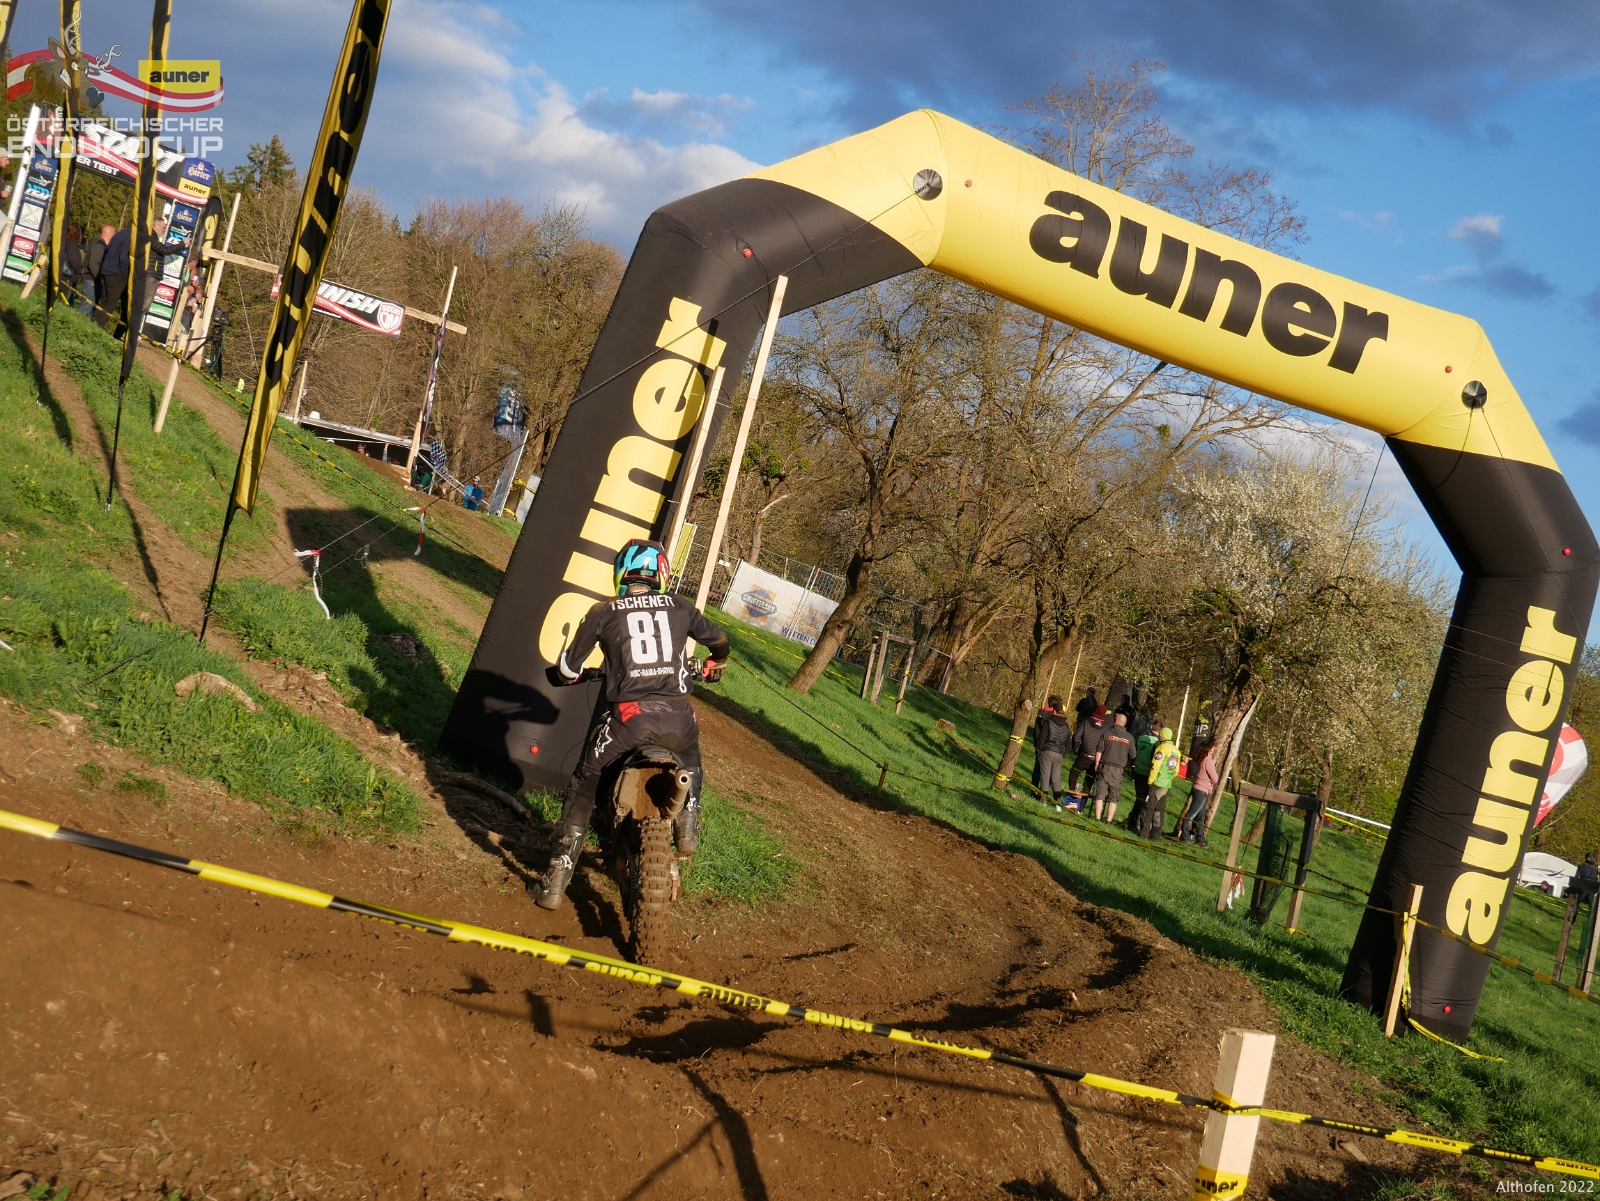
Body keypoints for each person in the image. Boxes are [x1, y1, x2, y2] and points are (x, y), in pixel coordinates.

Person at [536, 538, 731, 910]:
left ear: (621, 573)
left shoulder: (602, 612)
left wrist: (571, 676)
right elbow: (720, 640)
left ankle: (555, 881)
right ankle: (688, 822)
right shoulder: (680, 606)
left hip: (629, 722)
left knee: (584, 784)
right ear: (661, 575)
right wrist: (715, 661)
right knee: (691, 753)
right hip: (679, 718)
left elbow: (567, 670)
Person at [1139, 727, 1181, 841]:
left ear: (1162, 737)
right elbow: (1176, 771)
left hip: (1156, 782)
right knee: (1160, 810)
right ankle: (1156, 836)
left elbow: (1155, 766)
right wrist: (1168, 779)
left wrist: (1150, 781)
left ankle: (1144, 834)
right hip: (1166, 784)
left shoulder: (1161, 748)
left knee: (1149, 808)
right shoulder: (1176, 751)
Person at [1094, 712, 1135, 823]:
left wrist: (1097, 764)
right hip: (1118, 770)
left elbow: (1099, 750)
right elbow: (1133, 755)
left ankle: (1097, 818)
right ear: (1124, 724)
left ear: (1115, 721)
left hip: (1104, 766)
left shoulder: (1106, 732)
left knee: (1100, 794)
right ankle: (1108, 821)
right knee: (1114, 797)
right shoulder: (1129, 737)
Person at [1031, 694, 1071, 805]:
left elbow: (1041, 738)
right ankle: (1058, 804)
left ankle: (1043, 800)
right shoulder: (1066, 726)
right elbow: (1068, 743)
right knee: (1055, 778)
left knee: (1044, 776)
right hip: (1059, 754)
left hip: (1047, 751)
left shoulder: (1048, 721)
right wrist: (1062, 753)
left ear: (1054, 711)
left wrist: (1039, 751)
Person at [1177, 740, 1219, 845]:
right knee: (1191, 814)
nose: (1214, 749)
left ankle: (1200, 839)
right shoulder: (1208, 760)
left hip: (1199, 789)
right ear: (1209, 748)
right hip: (1202, 790)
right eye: (1212, 747)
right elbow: (1215, 779)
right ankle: (1185, 837)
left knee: (1200, 817)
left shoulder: (1202, 758)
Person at [1067, 703, 1107, 802]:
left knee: (1073, 774)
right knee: (1088, 783)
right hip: (1095, 759)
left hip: (1083, 756)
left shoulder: (1086, 722)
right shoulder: (1106, 728)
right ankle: (1081, 805)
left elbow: (1076, 737)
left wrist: (1076, 750)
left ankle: (1072, 797)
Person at [93, 225, 129, 333]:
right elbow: (124, 258)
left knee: (103, 300)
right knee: (111, 303)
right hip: (116, 273)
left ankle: (92, 323)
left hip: (106, 270)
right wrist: (125, 274)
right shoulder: (130, 236)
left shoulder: (119, 234)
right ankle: (98, 328)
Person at [1127, 721, 1162, 831]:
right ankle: (1133, 822)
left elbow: (1134, 752)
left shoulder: (1141, 738)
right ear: (1160, 730)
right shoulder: (1157, 742)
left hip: (1137, 771)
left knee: (1139, 797)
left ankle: (1132, 818)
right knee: (1141, 800)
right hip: (1147, 774)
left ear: (1151, 727)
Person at [81, 224, 109, 316]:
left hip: (92, 280)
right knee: (86, 306)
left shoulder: (97, 244)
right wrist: (99, 278)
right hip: (91, 280)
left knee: (89, 305)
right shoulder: (99, 246)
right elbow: (93, 264)